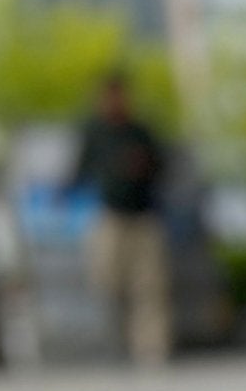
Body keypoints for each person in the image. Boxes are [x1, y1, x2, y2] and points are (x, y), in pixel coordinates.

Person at [70, 72, 171, 366]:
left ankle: (151, 351)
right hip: (109, 217)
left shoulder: (140, 131)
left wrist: (143, 166)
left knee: (150, 287)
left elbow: (162, 168)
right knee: (107, 283)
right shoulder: (94, 132)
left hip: (143, 217)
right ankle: (115, 345)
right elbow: (78, 172)